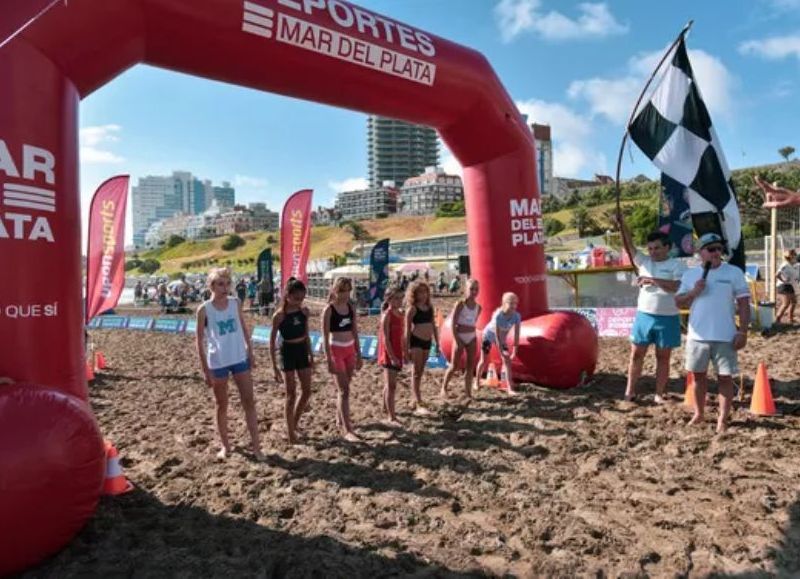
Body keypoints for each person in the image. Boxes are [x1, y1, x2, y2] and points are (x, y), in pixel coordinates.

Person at [675, 233, 751, 433]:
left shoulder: (734, 272)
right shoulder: (690, 274)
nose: (717, 252)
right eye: (711, 249)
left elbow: (744, 304)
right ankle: (699, 413)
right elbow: (677, 302)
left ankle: (723, 419)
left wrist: (743, 332)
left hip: (725, 335)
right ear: (701, 253)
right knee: (698, 377)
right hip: (697, 336)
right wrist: (693, 292)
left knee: (725, 378)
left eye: (719, 248)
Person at [195, 268, 261, 460]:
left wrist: (250, 350)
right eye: (220, 284)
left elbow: (243, 326)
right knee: (221, 404)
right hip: (218, 362)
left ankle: (257, 447)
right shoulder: (204, 309)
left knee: (249, 401)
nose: (225, 288)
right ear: (211, 286)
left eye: (227, 283)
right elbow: (199, 340)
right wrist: (205, 370)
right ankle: (226, 446)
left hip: (239, 357)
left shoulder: (235, 303)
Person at [620, 226, 686, 403]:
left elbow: (677, 286)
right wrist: (622, 225)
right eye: (650, 248)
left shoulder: (677, 265)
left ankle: (659, 393)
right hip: (644, 316)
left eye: (657, 248)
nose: (653, 252)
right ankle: (629, 391)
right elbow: (628, 244)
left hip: (668, 317)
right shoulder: (643, 262)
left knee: (663, 357)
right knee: (636, 355)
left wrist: (653, 280)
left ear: (667, 247)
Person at [270, 279, 314, 444]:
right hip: (287, 351)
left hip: (302, 349)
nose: (299, 301)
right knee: (291, 394)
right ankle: (290, 432)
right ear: (287, 296)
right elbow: (272, 341)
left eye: (302, 298)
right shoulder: (279, 315)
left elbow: (307, 334)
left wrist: (311, 355)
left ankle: (293, 423)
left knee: (307, 391)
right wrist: (274, 365)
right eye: (296, 298)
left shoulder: (304, 312)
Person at [322, 277, 363, 441]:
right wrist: (328, 359)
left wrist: (359, 354)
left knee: (345, 388)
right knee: (344, 390)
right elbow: (324, 337)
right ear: (334, 291)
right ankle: (348, 429)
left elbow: (355, 331)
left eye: (347, 290)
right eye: (341, 291)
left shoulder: (350, 308)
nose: (345, 294)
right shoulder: (329, 310)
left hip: (350, 349)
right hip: (336, 350)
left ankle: (340, 418)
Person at [440, 279, 481, 400]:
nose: (473, 291)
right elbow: (453, 323)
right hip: (460, 337)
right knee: (454, 365)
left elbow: (473, 323)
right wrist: (457, 339)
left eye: (476, 289)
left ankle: (468, 393)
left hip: (472, 337)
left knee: (470, 366)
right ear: (466, 290)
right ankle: (444, 387)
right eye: (471, 289)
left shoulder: (479, 307)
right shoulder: (460, 304)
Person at [476, 292, 521, 395]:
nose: (514, 306)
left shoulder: (516, 316)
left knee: (507, 361)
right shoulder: (499, 315)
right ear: (504, 303)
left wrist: (514, 350)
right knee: (484, 360)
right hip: (488, 336)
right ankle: (476, 382)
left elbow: (517, 334)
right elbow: (496, 335)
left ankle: (509, 388)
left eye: (516, 303)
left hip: (501, 338)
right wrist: (501, 350)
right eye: (511, 303)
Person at [404, 281, 438, 415]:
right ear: (414, 294)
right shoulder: (412, 309)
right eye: (420, 292)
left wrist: (437, 341)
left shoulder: (429, 307)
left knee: (421, 371)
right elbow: (407, 330)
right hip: (416, 341)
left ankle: (415, 397)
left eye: (425, 292)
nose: (423, 295)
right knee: (416, 371)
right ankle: (417, 400)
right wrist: (406, 348)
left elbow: (433, 325)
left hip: (427, 341)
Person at [378, 287, 405, 426]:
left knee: (389, 384)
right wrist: (392, 357)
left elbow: (401, 336)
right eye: (396, 298)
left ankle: (385, 408)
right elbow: (385, 339)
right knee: (391, 385)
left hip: (397, 351)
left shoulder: (400, 313)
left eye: (401, 297)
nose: (400, 300)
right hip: (389, 353)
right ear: (389, 300)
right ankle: (391, 417)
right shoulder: (387, 315)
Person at [775, 250, 798, 324]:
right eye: (794, 255)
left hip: (790, 285)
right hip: (783, 286)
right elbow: (777, 274)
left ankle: (790, 318)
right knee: (785, 304)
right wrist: (783, 280)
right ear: (790, 256)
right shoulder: (784, 265)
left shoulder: (792, 264)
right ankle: (777, 320)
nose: (795, 256)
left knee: (794, 302)